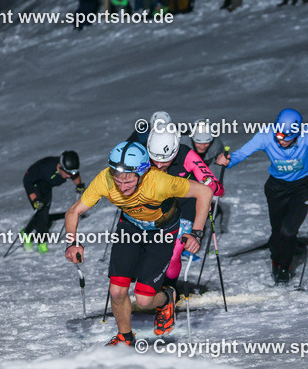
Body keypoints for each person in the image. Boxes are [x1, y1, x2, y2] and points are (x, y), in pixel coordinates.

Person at [63, 142, 212, 346]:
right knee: (116, 290)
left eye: (129, 182)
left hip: (162, 232)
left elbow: (204, 192)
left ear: (142, 174)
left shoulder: (160, 181)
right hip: (130, 229)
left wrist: (196, 233)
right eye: (118, 180)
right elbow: (73, 211)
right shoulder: (105, 179)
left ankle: (167, 298)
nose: (123, 187)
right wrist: (72, 242)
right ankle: (125, 336)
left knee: (144, 299)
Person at [215, 109, 308, 284]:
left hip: (302, 187)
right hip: (276, 188)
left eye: (286, 138)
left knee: (288, 230)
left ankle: (284, 267)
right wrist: (227, 161)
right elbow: (241, 154)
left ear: (296, 134)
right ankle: (276, 259)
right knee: (277, 229)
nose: (280, 140)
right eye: (279, 135)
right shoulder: (266, 135)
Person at [145, 128, 224, 292]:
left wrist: (210, 184)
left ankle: (169, 290)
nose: (159, 165)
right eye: (155, 160)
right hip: (160, 207)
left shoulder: (186, 155)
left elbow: (215, 186)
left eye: (165, 160)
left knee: (173, 254)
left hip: (185, 207)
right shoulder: (143, 155)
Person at [21, 151, 84, 252]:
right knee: (43, 216)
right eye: (68, 173)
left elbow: (75, 174)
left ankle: (26, 233)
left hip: (47, 187)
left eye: (71, 173)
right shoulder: (45, 168)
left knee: (41, 213)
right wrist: (35, 200)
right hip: (35, 186)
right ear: (60, 166)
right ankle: (42, 243)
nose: (69, 176)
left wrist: (79, 185)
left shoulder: (67, 168)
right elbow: (27, 181)